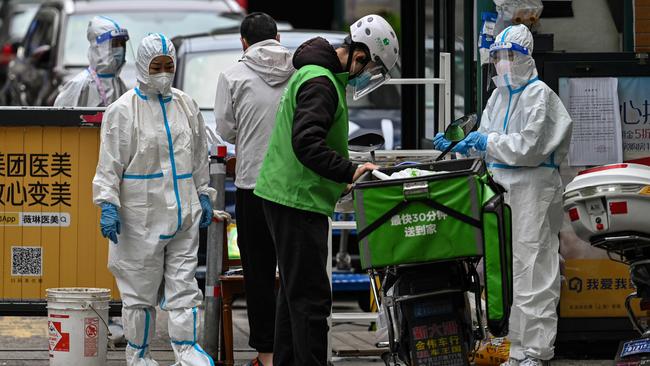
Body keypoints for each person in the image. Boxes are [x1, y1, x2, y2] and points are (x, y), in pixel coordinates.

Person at [253, 14, 399, 366]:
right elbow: (306, 143)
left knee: (293, 297)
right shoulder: (321, 82)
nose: (366, 76)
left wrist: (346, 166)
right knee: (311, 301)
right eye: (370, 68)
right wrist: (350, 170)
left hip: (287, 196)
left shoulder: (319, 75)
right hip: (297, 200)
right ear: (359, 54)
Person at [434, 24, 573, 366]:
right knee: (506, 271)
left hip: (533, 190)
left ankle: (537, 350)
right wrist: (465, 144)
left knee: (534, 268)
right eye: (497, 57)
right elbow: (487, 136)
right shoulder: (498, 96)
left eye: (510, 56)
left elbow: (529, 147)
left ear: (526, 57)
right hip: (500, 189)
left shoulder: (540, 96)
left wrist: (486, 143)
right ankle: (515, 347)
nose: (503, 64)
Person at [92, 33, 218, 366]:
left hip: (184, 214)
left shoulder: (186, 105)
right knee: (138, 294)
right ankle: (140, 355)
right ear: (143, 67)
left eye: (168, 66)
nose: (163, 72)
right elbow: (109, 165)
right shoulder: (121, 111)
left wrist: (203, 193)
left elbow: (198, 156)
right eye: (156, 66)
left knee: (184, 287)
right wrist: (107, 203)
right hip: (139, 219)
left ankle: (187, 350)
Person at [213, 12, 294, 366]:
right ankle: (296, 349)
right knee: (293, 271)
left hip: (252, 184)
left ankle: (266, 355)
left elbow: (226, 129)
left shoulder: (232, 76)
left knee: (259, 273)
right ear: (277, 37)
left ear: (243, 42)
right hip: (292, 186)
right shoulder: (300, 70)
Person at [54, 16, 129, 107]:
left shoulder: (118, 83)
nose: (120, 49)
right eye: (115, 44)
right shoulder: (79, 85)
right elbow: (61, 117)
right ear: (100, 47)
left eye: (122, 44)